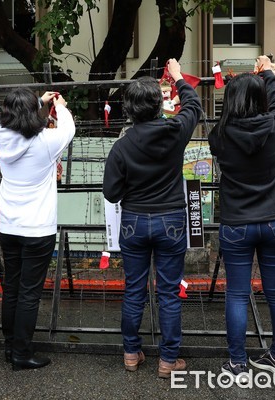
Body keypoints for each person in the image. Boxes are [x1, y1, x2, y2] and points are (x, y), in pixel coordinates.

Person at [102, 59, 202, 377]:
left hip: (133, 220)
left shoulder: (121, 147)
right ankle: (168, 360)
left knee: (134, 289)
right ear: (159, 103)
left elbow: (111, 194)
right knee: (168, 291)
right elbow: (194, 107)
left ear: (129, 111)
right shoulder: (175, 131)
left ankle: (132, 353)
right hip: (171, 218)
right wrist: (177, 78)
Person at [208, 55, 275, 382]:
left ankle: (237, 363)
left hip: (237, 225)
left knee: (237, 295)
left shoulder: (221, 136)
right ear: (261, 98)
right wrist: (269, 72)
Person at [0, 88, 75, 371]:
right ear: (31, 113)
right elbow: (69, 128)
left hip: (9, 225)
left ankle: (9, 346)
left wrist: (38, 102)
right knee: (29, 292)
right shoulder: (46, 142)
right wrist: (60, 106)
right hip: (38, 227)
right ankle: (22, 353)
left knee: (12, 288)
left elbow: (18, 121)